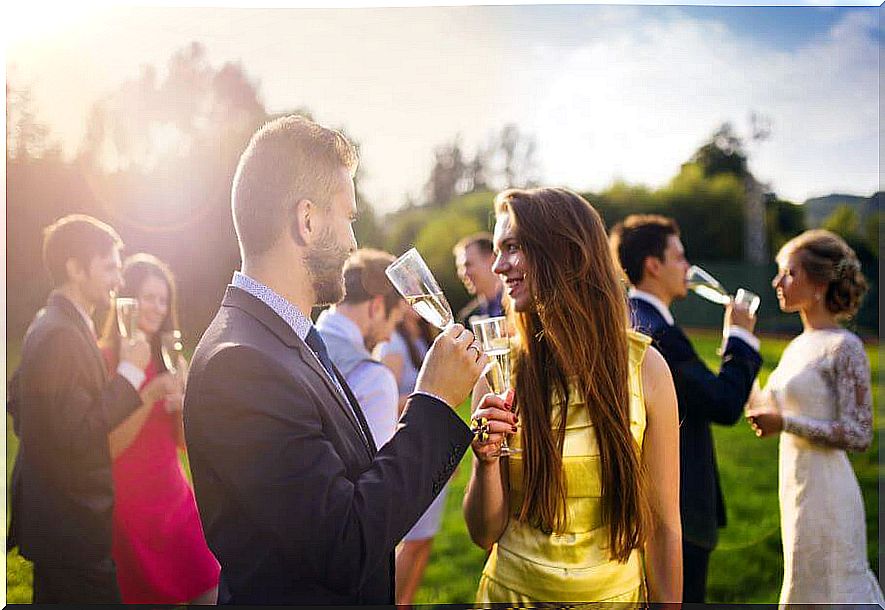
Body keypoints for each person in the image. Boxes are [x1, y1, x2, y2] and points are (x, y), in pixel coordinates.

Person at [182, 115, 488, 605]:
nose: (351, 243)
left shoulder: (288, 335)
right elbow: (345, 543)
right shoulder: (240, 363)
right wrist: (433, 404)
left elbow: (352, 482)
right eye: (347, 217)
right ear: (307, 221)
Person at [463, 188, 682, 604]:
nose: (497, 265)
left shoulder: (647, 369)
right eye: (495, 250)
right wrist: (486, 462)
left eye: (511, 247)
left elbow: (665, 525)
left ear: (563, 249)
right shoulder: (498, 370)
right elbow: (482, 533)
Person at [6, 214, 176, 603]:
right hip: (69, 521)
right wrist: (131, 373)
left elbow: (21, 400)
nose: (119, 279)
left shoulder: (55, 323)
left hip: (61, 520)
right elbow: (79, 433)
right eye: (109, 267)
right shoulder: (60, 332)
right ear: (75, 268)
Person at [609, 214, 762, 603]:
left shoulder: (627, 319)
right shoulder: (656, 334)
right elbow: (725, 403)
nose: (688, 268)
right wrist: (740, 337)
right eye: (680, 257)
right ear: (653, 265)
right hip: (676, 512)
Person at [745, 230, 882, 605]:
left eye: (789, 273)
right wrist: (740, 345)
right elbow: (763, 410)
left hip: (829, 493)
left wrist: (786, 424)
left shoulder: (845, 347)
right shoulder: (796, 347)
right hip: (795, 488)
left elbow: (859, 434)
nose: (777, 282)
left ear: (818, 283)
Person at [98, 253, 220, 604]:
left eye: (163, 300)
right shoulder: (105, 358)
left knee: (211, 588)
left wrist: (182, 408)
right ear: (127, 300)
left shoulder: (173, 361)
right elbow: (108, 448)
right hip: (129, 507)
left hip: (174, 499)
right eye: (148, 297)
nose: (156, 307)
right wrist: (150, 395)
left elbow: (183, 444)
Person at [379, 307, 449, 605]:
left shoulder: (423, 335)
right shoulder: (393, 343)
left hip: (432, 443)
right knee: (413, 539)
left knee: (425, 540)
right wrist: (433, 394)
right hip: (411, 448)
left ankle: (406, 602)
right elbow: (385, 399)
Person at [315, 248, 406, 449]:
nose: (389, 337)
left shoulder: (296, 344)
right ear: (377, 307)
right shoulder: (374, 378)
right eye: (394, 321)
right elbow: (382, 476)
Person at [453, 232, 504, 326]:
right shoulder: (467, 319)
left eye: (468, 265)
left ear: (492, 260)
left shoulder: (520, 305)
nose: (462, 273)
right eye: (459, 268)